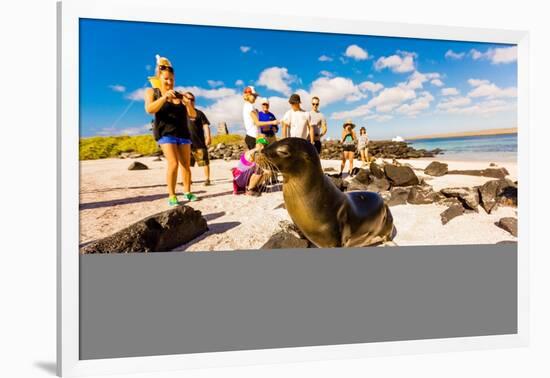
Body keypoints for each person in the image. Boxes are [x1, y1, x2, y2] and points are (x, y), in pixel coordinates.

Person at [144, 56, 197, 206]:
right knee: (173, 163)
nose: (169, 82)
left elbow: (193, 116)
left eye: (171, 79)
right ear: (159, 78)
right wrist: (163, 98)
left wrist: (188, 104)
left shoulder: (179, 95)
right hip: (166, 134)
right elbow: (149, 109)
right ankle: (172, 195)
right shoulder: (152, 92)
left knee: (186, 165)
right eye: (166, 79)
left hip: (183, 134)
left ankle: (187, 192)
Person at [184, 91, 212, 186]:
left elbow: (205, 125)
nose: (190, 101)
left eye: (192, 99)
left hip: (199, 142)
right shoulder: (180, 113)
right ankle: (188, 180)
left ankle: (207, 179)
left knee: (204, 162)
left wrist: (208, 137)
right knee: (186, 164)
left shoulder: (199, 113)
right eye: (188, 98)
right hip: (185, 143)